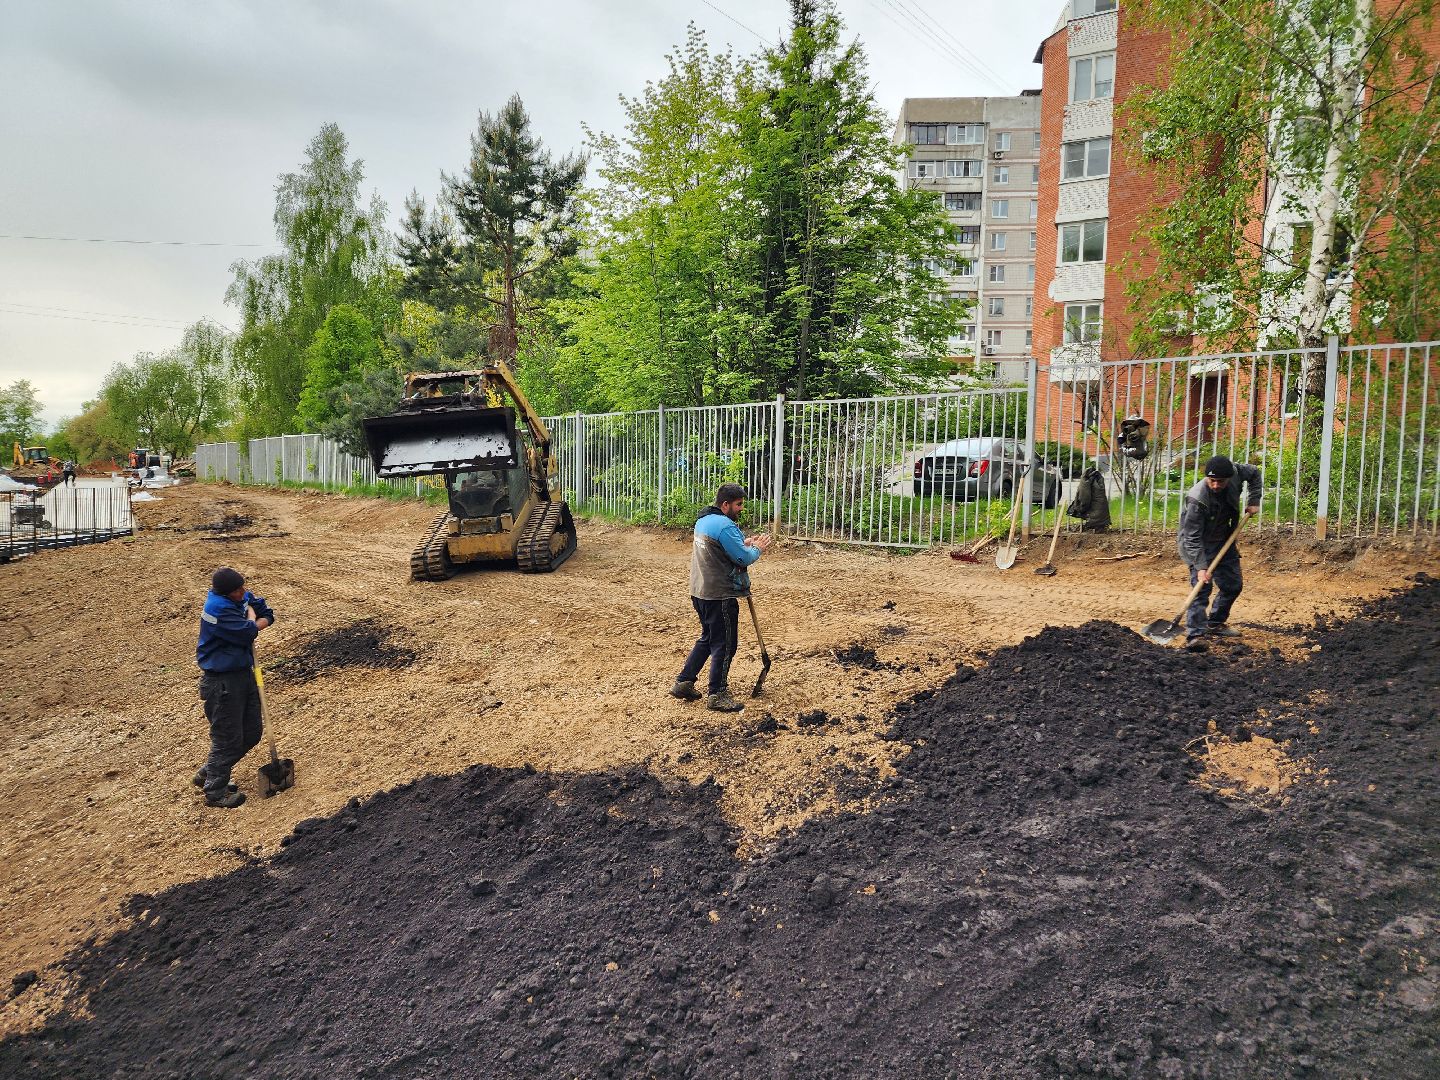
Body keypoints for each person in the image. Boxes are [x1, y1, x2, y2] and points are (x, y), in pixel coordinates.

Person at [670, 483, 771, 712]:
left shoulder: (704, 520)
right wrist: (757, 548)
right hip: (719, 594)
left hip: (699, 591)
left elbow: (722, 548)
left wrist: (744, 543)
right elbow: (743, 558)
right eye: (738, 504)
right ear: (726, 504)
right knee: (725, 644)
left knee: (708, 637)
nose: (741, 508)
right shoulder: (725, 526)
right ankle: (717, 694)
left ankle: (684, 682)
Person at [194, 567, 275, 807]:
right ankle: (215, 792)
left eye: (242, 587)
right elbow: (246, 633)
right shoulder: (217, 608)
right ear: (225, 593)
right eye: (238, 590)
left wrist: (256, 619)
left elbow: (267, 613)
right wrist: (252, 621)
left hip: (243, 674)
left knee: (252, 733)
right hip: (222, 682)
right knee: (227, 738)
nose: (243, 592)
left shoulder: (239, 597)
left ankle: (209, 772)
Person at [1177, 454, 1262, 651]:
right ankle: (1195, 635)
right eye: (1212, 480)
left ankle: (1215, 623)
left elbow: (1254, 473)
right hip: (1199, 546)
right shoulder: (1197, 499)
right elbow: (1191, 538)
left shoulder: (1237, 472)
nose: (1216, 485)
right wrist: (1201, 567)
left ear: (1230, 478)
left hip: (1224, 540)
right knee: (1201, 589)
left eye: (1221, 481)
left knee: (1233, 585)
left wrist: (1254, 500)